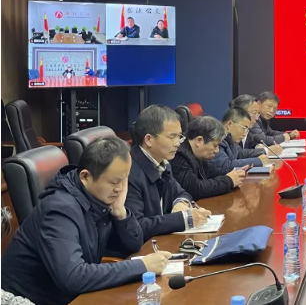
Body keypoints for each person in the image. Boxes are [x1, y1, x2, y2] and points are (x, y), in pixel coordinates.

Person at [1, 137, 171, 305]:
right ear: (85, 177)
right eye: (114, 182)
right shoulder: (59, 209)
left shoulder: (99, 198)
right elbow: (73, 277)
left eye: (124, 179)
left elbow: (133, 244)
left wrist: (120, 212)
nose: (120, 189)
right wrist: (142, 266)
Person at [126, 105, 211, 241]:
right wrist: (184, 219)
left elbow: (181, 192)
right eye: (172, 137)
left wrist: (180, 203)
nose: (178, 143)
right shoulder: (128, 172)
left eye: (179, 136)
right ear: (149, 139)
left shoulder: (162, 163)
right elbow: (137, 226)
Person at [171, 116, 248, 200]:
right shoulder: (179, 156)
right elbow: (195, 189)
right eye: (215, 145)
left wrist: (235, 174)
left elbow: (210, 172)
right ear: (199, 141)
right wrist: (229, 180)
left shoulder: (197, 154)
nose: (217, 150)